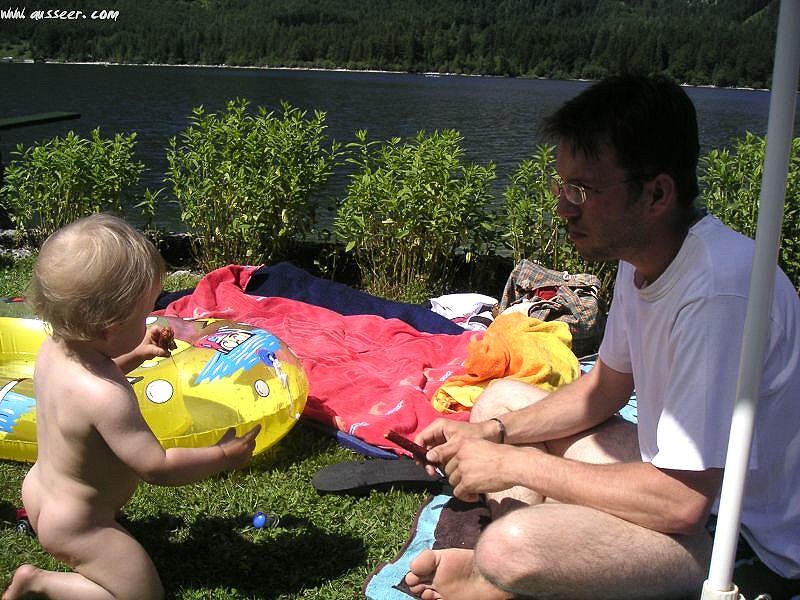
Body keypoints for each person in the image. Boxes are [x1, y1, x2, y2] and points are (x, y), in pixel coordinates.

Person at [405, 74, 800, 600]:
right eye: (562, 186)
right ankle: (521, 569)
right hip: (680, 482)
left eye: (583, 191)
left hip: (736, 533)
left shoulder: (717, 293)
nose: (564, 207)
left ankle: (497, 571)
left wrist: (516, 464)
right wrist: (492, 436)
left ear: (657, 194)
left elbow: (683, 502)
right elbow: (603, 390)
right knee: (499, 402)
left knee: (510, 546)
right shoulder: (645, 259)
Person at [2, 213, 261, 600]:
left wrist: (137, 353)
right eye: (143, 314)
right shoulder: (108, 398)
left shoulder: (54, 351)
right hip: (81, 525)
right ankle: (38, 582)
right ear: (109, 327)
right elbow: (157, 466)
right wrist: (223, 455)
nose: (150, 319)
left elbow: (93, 383)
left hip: (40, 492)